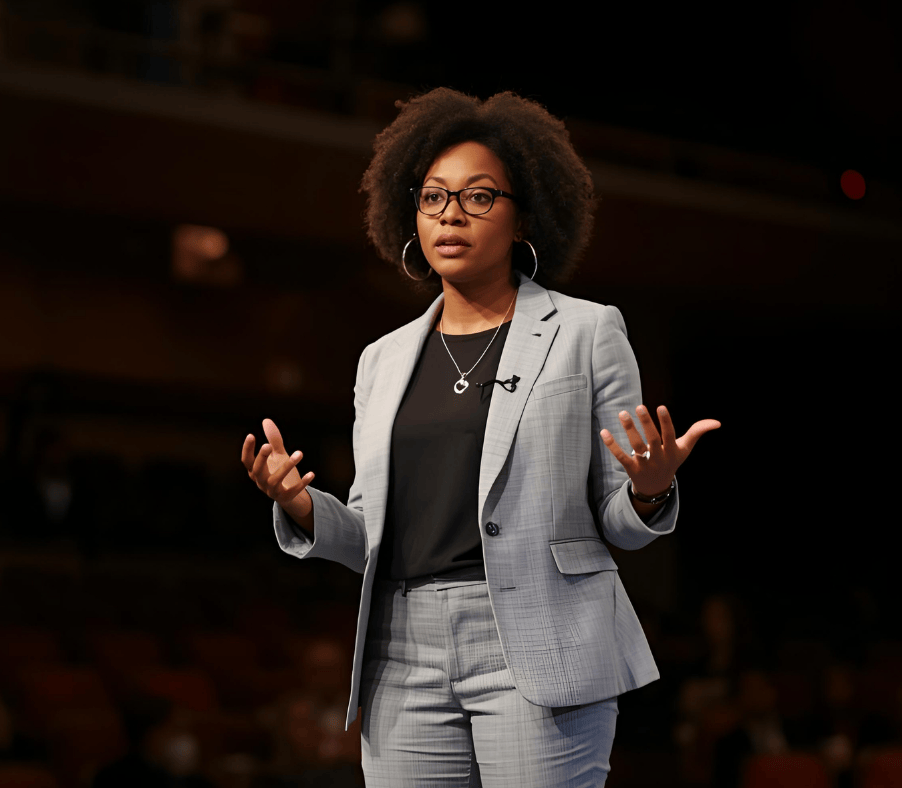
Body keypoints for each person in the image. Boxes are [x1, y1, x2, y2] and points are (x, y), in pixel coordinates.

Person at [242, 87, 721, 787]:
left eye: (478, 197)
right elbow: (369, 531)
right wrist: (302, 508)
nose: (451, 215)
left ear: (525, 212)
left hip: (541, 640)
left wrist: (650, 491)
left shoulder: (587, 332)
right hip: (403, 650)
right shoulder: (381, 359)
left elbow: (619, 522)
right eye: (433, 197)